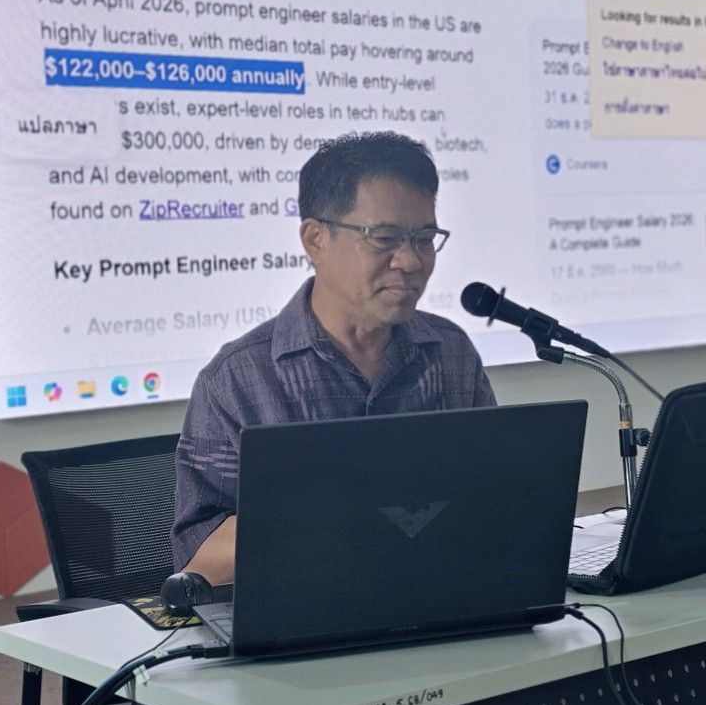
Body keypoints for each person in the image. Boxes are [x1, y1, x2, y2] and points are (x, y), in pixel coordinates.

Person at [171, 131, 496, 582]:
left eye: (424, 238)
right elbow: (197, 561)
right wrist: (337, 518)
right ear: (316, 239)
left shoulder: (450, 352)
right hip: (306, 608)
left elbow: (492, 497)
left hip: (441, 595)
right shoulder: (239, 378)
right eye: (385, 237)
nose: (410, 261)